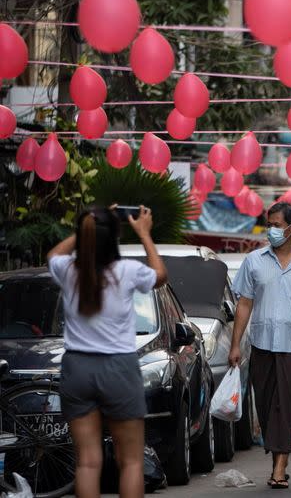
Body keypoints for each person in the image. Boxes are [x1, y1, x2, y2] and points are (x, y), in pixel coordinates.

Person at [47, 205, 167, 498]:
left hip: (77, 368)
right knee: (131, 462)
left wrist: (86, 226)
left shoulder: (68, 270)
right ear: (113, 238)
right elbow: (160, 275)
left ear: (85, 235)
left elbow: (52, 255)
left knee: (87, 463)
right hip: (118, 369)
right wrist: (143, 233)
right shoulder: (127, 271)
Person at [228, 202, 291, 490]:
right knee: (265, 402)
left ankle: (280, 467)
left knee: (284, 402)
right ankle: (277, 458)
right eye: (268, 224)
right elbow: (244, 304)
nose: (270, 229)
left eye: (275, 224)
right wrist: (235, 344)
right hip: (260, 343)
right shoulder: (254, 261)